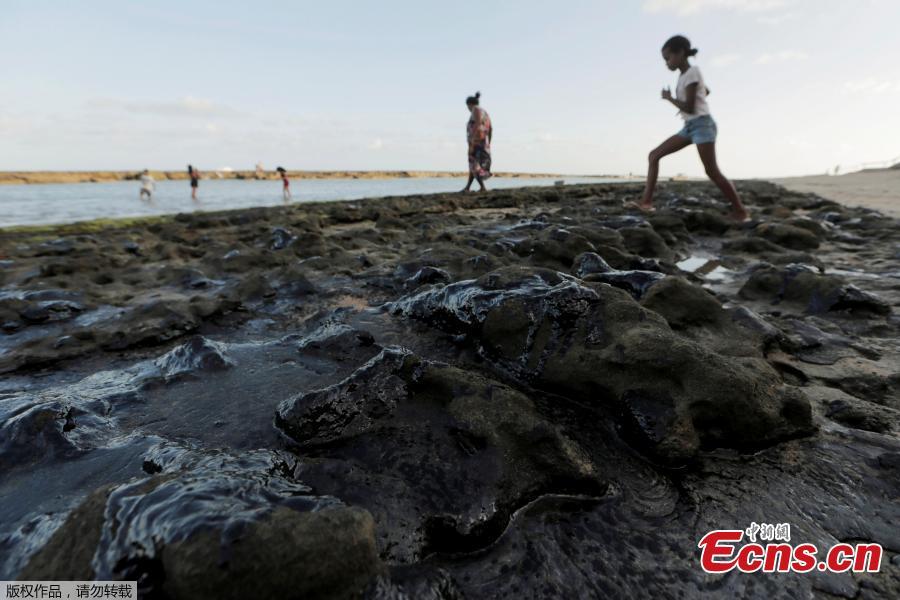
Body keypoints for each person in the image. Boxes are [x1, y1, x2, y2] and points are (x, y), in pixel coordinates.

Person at [635, 35, 748, 221]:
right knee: (654, 155)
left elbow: (689, 107)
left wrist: (669, 98)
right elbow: (706, 91)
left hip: (702, 124)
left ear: (680, 53)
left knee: (712, 171)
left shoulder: (692, 72)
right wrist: (699, 91)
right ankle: (646, 203)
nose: (667, 63)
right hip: (690, 126)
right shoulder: (685, 76)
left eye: (668, 58)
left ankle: (740, 211)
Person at [462, 91, 492, 193]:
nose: (468, 109)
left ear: (469, 104)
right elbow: (491, 128)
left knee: (474, 165)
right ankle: (468, 187)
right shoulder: (485, 112)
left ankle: (482, 187)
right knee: (473, 164)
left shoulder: (476, 110)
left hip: (476, 142)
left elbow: (478, 123)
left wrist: (473, 141)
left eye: (467, 106)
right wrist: (489, 143)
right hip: (483, 142)